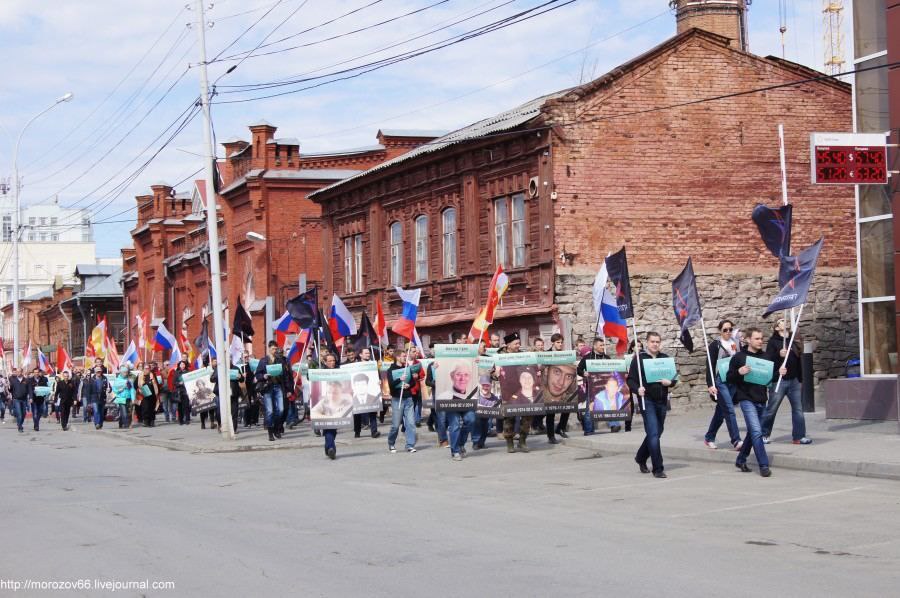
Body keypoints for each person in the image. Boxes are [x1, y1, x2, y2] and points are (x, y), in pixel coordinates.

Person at [728, 327, 782, 477]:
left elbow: (770, 377)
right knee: (757, 432)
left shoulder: (766, 357)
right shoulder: (739, 357)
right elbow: (729, 377)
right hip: (746, 399)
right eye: (757, 338)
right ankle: (763, 465)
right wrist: (739, 372)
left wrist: (779, 373)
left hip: (761, 399)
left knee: (753, 432)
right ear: (748, 340)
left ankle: (741, 459)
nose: (760, 341)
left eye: (761, 338)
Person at [627, 331, 676, 479]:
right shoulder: (639, 359)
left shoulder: (665, 358)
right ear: (647, 343)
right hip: (647, 400)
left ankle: (641, 457)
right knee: (654, 433)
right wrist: (637, 389)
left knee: (657, 432)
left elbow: (674, 378)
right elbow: (630, 380)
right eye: (652, 341)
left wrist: (670, 382)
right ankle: (658, 468)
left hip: (662, 400)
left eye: (657, 342)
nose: (655, 344)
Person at [761, 318, 811, 445]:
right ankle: (763, 434)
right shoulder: (773, 342)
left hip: (794, 380)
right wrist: (779, 355)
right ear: (777, 327)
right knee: (772, 409)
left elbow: (798, 359)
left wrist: (800, 379)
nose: (785, 321)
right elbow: (768, 359)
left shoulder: (792, 339)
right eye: (781, 321)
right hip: (779, 381)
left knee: (798, 409)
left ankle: (799, 436)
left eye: (785, 320)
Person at [703, 319, 743, 450]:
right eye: (725, 330)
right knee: (730, 410)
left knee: (721, 412)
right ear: (720, 331)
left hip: (733, 380)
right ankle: (736, 440)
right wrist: (710, 384)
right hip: (721, 381)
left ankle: (709, 437)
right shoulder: (715, 345)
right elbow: (710, 365)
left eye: (730, 329)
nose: (728, 332)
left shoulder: (736, 343)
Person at [500, 332, 532, 453]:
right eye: (516, 343)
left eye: (519, 343)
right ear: (508, 345)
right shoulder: (500, 357)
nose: (518, 345)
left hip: (523, 391)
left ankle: (522, 441)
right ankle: (509, 442)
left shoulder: (523, 356)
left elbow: (531, 369)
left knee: (527, 417)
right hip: (507, 393)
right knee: (509, 418)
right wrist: (495, 373)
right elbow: (493, 374)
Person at [438, 363, 476, 462]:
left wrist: (478, 362)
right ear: (452, 376)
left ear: (470, 377)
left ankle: (460, 444)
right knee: (454, 425)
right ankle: (455, 451)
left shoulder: (473, 395)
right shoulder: (444, 396)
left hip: (467, 405)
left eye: (466, 375)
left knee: (471, 420)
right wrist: (435, 367)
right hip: (452, 406)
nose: (462, 378)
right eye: (458, 374)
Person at [576, 337, 610, 436]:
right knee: (589, 408)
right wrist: (584, 373)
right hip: (591, 387)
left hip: (605, 386)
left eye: (603, 345)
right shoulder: (587, 358)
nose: (603, 347)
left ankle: (614, 425)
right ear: (595, 346)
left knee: (610, 405)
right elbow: (579, 369)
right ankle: (588, 430)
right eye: (601, 345)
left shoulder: (607, 358)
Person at [256, 340, 289, 442]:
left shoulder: (280, 360)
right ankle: (270, 432)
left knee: (281, 409)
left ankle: (276, 428)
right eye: (273, 349)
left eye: (275, 348)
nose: (275, 350)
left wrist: (288, 389)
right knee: (270, 411)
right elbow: (257, 374)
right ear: (269, 348)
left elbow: (285, 375)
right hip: (268, 387)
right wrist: (264, 376)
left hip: (278, 386)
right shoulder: (263, 361)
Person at [387, 348, 418, 453]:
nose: (405, 358)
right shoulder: (391, 370)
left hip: (408, 398)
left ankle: (410, 445)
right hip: (397, 399)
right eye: (404, 356)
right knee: (395, 425)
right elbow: (391, 385)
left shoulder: (407, 368)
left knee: (411, 423)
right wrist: (399, 379)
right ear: (397, 357)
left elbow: (413, 382)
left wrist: (409, 385)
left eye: (406, 356)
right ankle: (391, 442)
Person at [351, 372, 382, 439]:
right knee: (357, 415)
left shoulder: (374, 398)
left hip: (371, 404)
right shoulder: (352, 400)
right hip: (356, 406)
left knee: (373, 414)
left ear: (367, 385)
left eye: (363, 384)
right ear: (354, 386)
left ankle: (374, 432)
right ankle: (357, 431)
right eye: (358, 384)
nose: (361, 387)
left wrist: (379, 381)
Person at [137, 363, 160, 427]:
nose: (147, 370)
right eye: (146, 368)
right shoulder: (140, 375)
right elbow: (136, 384)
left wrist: (158, 392)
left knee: (152, 408)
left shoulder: (152, 375)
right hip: (144, 395)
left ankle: (152, 421)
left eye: (148, 368)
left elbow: (157, 384)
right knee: (145, 408)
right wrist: (139, 389)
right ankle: (146, 421)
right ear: (143, 369)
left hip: (153, 394)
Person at [240, 350, 259, 428]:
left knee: (256, 403)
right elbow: (239, 378)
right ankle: (247, 421)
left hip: (254, 386)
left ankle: (255, 420)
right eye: (245, 357)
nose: (246, 358)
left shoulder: (253, 365)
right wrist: (242, 376)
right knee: (247, 404)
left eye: (247, 356)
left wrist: (256, 374)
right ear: (242, 358)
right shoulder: (241, 367)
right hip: (246, 387)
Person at [9, 368, 30, 433]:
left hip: (24, 399)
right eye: (17, 372)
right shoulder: (13, 380)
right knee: (19, 414)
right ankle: (20, 427)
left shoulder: (26, 380)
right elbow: (11, 390)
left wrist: (31, 397)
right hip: (16, 399)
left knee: (24, 413)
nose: (18, 373)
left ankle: (19, 423)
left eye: (19, 372)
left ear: (22, 372)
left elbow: (29, 389)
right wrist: (9, 387)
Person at [173, 360, 191, 425]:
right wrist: (179, 383)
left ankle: (187, 419)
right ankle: (181, 420)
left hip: (186, 391)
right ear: (179, 366)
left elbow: (191, 380)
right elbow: (174, 382)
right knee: (180, 407)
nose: (182, 366)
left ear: (185, 365)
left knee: (186, 406)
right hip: (179, 391)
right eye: (181, 364)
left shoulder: (188, 372)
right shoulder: (177, 373)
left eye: (183, 364)